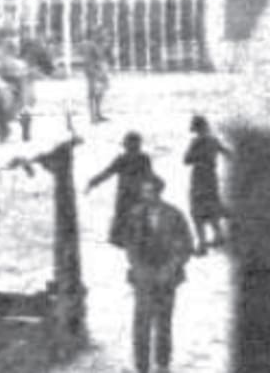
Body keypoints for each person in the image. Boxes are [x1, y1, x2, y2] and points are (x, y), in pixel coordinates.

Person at [119, 175, 193, 373]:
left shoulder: (174, 215)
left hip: (167, 277)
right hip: (143, 277)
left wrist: (170, 268)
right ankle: (141, 366)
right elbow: (129, 245)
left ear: (159, 192)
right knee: (141, 323)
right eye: (143, 192)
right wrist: (138, 268)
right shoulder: (135, 215)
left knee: (164, 322)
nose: (146, 196)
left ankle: (162, 363)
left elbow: (186, 245)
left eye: (150, 192)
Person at [87, 131, 155, 247]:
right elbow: (149, 176)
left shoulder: (125, 159)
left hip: (127, 195)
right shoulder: (143, 158)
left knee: (125, 218)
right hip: (136, 195)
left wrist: (93, 182)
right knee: (138, 219)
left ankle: (126, 241)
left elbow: (108, 172)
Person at [184, 114, 232, 255]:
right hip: (211, 176)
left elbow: (186, 159)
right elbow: (228, 154)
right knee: (211, 206)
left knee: (197, 210)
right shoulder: (213, 140)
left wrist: (198, 153)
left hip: (199, 177)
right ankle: (218, 235)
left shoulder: (196, 142)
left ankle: (203, 243)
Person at [81, 26, 112, 123]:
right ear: (97, 34)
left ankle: (98, 113)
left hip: (100, 70)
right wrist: (94, 71)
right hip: (93, 71)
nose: (105, 35)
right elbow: (88, 60)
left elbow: (103, 58)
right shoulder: (89, 44)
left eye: (106, 33)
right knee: (92, 93)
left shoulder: (100, 44)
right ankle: (92, 117)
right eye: (103, 33)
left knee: (100, 92)